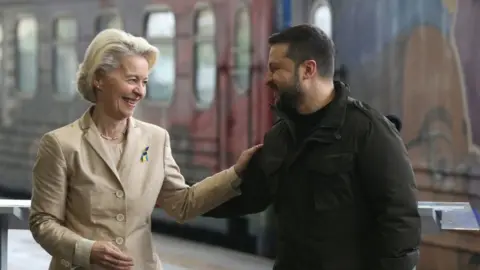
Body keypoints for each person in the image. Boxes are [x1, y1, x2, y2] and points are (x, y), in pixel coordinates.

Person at [29, 28, 261, 270]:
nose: (140, 91)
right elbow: (42, 222)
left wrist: (235, 175)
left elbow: (182, 204)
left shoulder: (156, 139)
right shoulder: (60, 144)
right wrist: (87, 250)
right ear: (99, 78)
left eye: (144, 82)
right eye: (132, 80)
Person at [203, 24, 421, 270]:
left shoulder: (368, 131)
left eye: (275, 69)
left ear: (308, 70)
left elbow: (399, 217)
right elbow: (246, 196)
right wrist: (173, 196)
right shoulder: (280, 138)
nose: (267, 80)